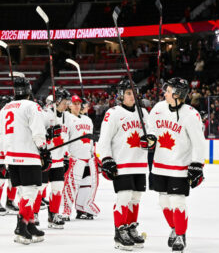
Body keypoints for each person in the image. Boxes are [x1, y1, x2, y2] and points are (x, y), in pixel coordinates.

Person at [96, 78, 155, 251]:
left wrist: (151, 139)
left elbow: (152, 133)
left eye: (134, 92)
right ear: (121, 95)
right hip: (122, 163)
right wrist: (106, 159)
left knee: (136, 198)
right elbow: (104, 140)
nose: (132, 96)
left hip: (139, 163)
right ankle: (119, 230)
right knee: (124, 197)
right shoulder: (113, 113)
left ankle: (130, 227)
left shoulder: (143, 112)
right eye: (129, 93)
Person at [148, 77, 206, 253]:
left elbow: (199, 143)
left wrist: (197, 165)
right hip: (159, 164)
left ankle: (180, 235)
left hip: (180, 166)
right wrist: (149, 139)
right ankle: (174, 228)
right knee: (164, 201)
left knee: (177, 201)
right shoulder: (158, 108)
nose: (164, 92)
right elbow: (150, 129)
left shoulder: (191, 114)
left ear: (178, 93)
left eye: (168, 90)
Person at [0, 75, 51, 244]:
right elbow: (38, 131)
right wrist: (43, 149)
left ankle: (29, 224)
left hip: (12, 155)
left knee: (23, 192)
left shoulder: (6, 107)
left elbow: (0, 131)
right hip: (28, 154)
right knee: (30, 193)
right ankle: (21, 227)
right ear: (29, 90)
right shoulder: (31, 105)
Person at [35, 87, 70, 229]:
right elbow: (36, 134)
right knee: (40, 188)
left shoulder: (67, 117)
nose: (66, 104)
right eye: (64, 101)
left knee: (58, 188)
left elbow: (67, 138)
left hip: (59, 159)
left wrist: (66, 156)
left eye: (67, 101)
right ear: (57, 101)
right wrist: (48, 134)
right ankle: (34, 213)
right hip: (46, 158)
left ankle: (53, 214)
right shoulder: (44, 115)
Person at [63, 95, 99, 221]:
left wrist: (93, 155)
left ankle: (81, 209)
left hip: (88, 158)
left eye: (79, 103)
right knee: (71, 186)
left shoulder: (87, 120)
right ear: (69, 105)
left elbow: (90, 141)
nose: (77, 105)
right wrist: (66, 156)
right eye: (75, 103)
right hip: (75, 158)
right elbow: (64, 139)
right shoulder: (67, 118)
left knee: (87, 185)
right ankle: (65, 212)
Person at [0, 95, 19, 216]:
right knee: (0, 179)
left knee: (13, 178)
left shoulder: (7, 116)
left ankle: (10, 202)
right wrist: (6, 153)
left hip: (9, 151)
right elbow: (0, 138)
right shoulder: (1, 118)